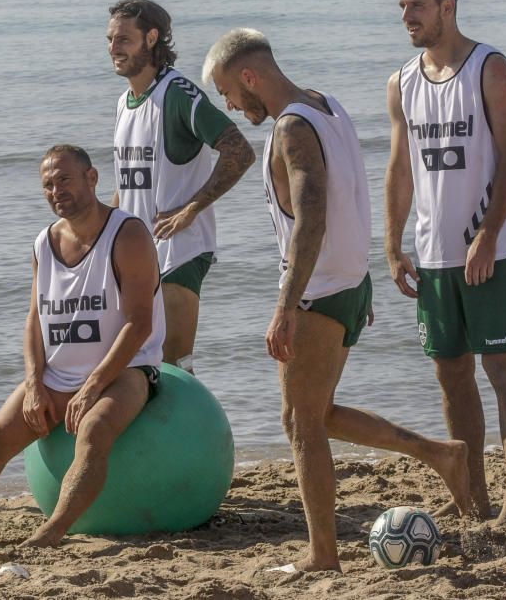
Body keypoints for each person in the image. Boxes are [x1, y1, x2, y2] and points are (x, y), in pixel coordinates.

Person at [203, 29, 473, 572]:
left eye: (228, 93)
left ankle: (323, 555)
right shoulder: (327, 105)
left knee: (301, 425)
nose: (230, 105)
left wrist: (286, 305)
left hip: (319, 294)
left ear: (249, 77)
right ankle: (440, 453)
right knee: (315, 413)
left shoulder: (291, 130)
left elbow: (313, 218)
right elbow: (356, 194)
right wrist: (362, 274)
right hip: (348, 285)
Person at [0, 145, 165, 548]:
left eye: (65, 179)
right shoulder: (44, 242)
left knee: (93, 430)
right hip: (56, 376)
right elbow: (34, 319)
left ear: (92, 178)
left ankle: (52, 530)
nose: (56, 190)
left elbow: (139, 323)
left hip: (123, 373)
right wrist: (33, 383)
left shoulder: (126, 233)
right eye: (47, 184)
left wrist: (94, 386)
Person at [385, 0, 506, 525]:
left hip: (493, 250)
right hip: (433, 256)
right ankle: (473, 498)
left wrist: (489, 234)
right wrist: (393, 242)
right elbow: (401, 166)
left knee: (504, 377)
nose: (406, 16)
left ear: (447, 6)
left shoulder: (490, 69)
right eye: (403, 5)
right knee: (451, 375)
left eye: (416, 5)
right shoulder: (402, 80)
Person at [107, 0, 255, 373]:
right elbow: (127, 183)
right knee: (139, 365)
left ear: (151, 38)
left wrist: (192, 209)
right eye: (110, 40)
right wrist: (103, 237)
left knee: (175, 367)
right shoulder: (125, 103)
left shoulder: (177, 94)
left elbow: (239, 150)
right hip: (137, 254)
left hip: (179, 252)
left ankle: (208, 434)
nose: (113, 48)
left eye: (124, 39)